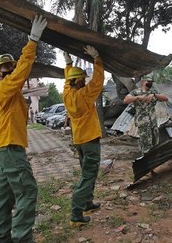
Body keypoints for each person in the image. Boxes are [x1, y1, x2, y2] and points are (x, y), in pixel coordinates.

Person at [0, 15, 47, 242]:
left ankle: (1, 238)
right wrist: (32, 41)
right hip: (10, 147)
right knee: (28, 191)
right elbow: (22, 70)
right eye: (4, 69)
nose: (8, 71)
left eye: (9, 68)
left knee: (3, 197)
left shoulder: (11, 92)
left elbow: (19, 74)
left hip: (6, 147)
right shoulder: (4, 88)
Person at [62, 45, 104, 226]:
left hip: (79, 140)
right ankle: (76, 213)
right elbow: (98, 80)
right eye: (83, 79)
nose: (85, 81)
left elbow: (67, 79)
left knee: (88, 173)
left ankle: (87, 204)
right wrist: (97, 59)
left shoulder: (66, 94)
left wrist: (68, 63)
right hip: (90, 140)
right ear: (78, 81)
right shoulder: (85, 95)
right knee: (88, 175)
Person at [123, 74, 169, 155]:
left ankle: (154, 159)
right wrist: (138, 98)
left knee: (155, 142)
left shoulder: (153, 92)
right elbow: (126, 100)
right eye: (149, 82)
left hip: (153, 122)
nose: (150, 83)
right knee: (146, 143)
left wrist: (154, 95)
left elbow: (166, 98)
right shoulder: (136, 92)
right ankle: (146, 160)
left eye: (151, 82)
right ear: (143, 82)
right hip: (143, 122)